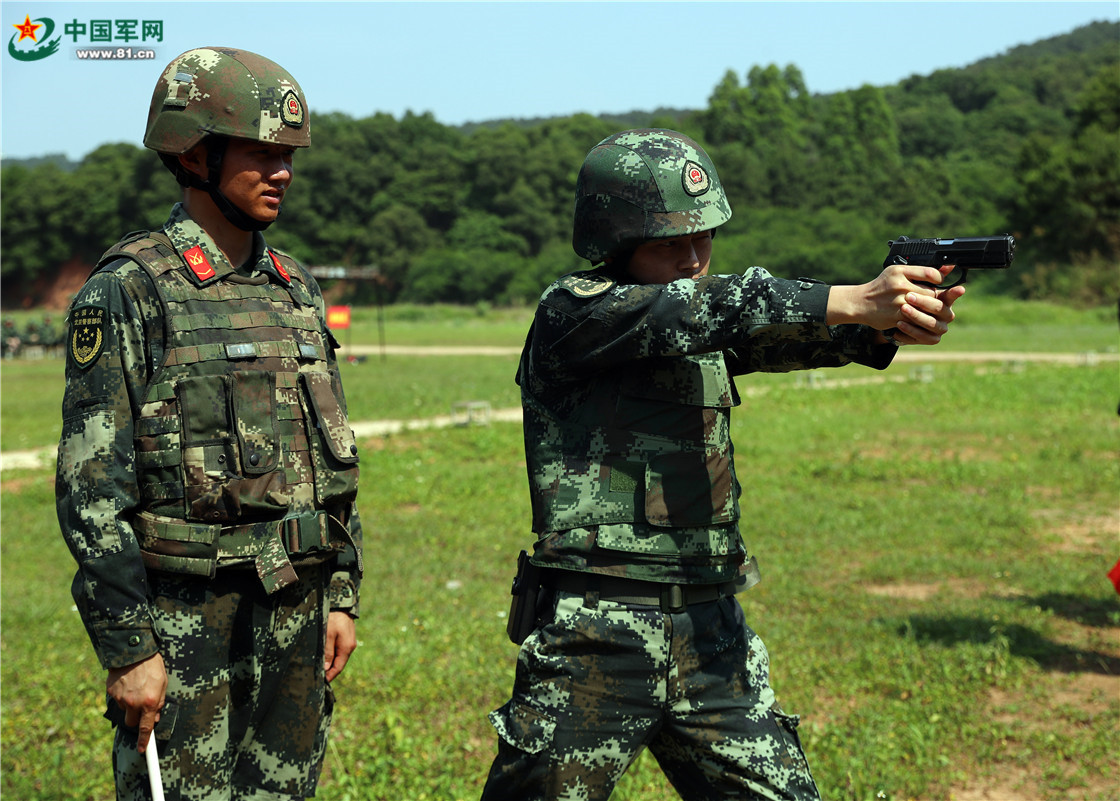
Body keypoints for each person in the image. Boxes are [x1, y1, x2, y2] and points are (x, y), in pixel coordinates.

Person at [481, 128, 966, 801]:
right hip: (596, 636)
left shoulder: (700, 325)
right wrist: (850, 295)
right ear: (615, 242)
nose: (692, 259)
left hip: (711, 634)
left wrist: (890, 320)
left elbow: (778, 330)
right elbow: (714, 306)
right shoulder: (576, 314)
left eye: (702, 238)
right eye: (669, 243)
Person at [56, 47, 363, 801]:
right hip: (185, 626)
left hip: (295, 611)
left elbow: (327, 459)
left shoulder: (295, 288)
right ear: (194, 153)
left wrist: (342, 592)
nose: (282, 171)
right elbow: (92, 490)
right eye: (261, 152)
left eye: (287, 154)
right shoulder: (130, 292)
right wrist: (130, 649)